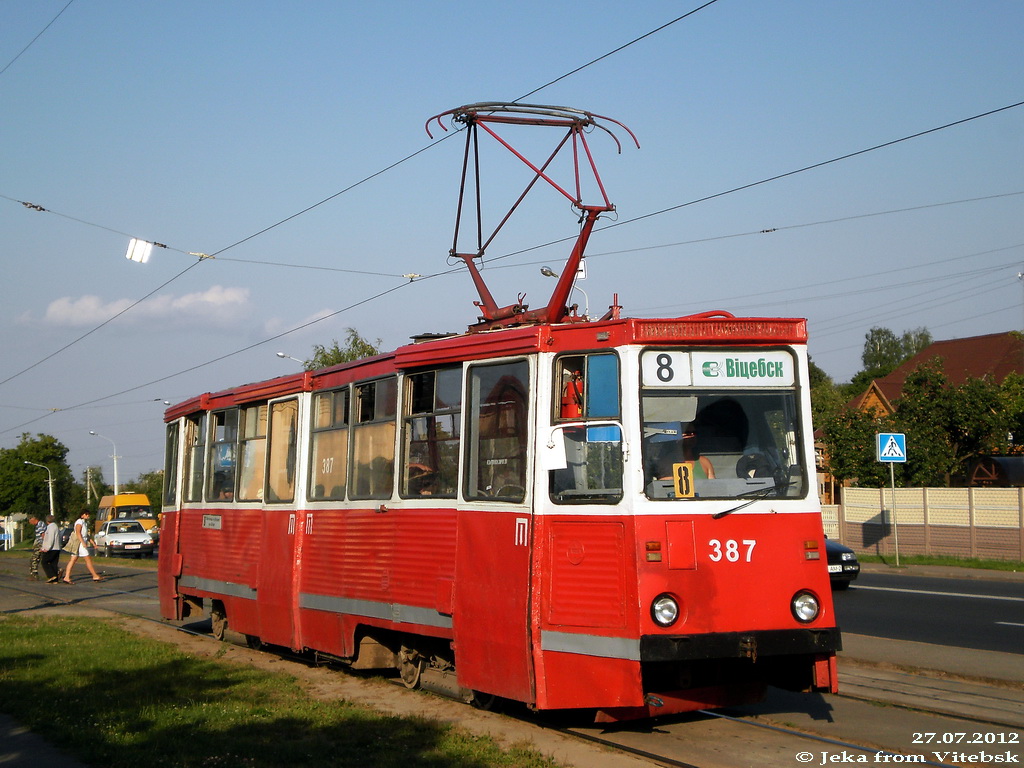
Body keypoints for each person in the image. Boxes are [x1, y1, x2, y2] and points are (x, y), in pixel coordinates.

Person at [651, 421, 716, 480]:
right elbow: (665, 489)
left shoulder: (704, 462)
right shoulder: (666, 463)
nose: (692, 436)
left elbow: (713, 488)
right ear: (677, 437)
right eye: (687, 433)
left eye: (694, 433)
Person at [62, 510, 103, 584]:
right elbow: (78, 533)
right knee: (87, 559)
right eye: (86, 514)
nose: (88, 516)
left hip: (81, 542)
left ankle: (66, 577)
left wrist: (93, 543)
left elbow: (86, 535)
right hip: (79, 543)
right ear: (82, 515)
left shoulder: (84, 523)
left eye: (88, 514)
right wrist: (83, 543)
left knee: (73, 559)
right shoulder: (79, 522)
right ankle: (95, 575)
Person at [39, 515, 61, 583]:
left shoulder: (51, 527)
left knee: (44, 562)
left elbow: (50, 539)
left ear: (47, 521)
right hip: (57, 547)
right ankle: (55, 579)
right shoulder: (56, 526)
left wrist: (46, 548)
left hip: (52, 548)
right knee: (53, 563)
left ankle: (51, 575)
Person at [28, 514, 47, 580]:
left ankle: (34, 575)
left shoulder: (39, 525)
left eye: (30, 521)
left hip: (40, 544)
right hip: (40, 543)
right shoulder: (41, 524)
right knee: (42, 559)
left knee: (34, 559)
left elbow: (43, 534)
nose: (30, 523)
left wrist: (44, 545)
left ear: (33, 519)